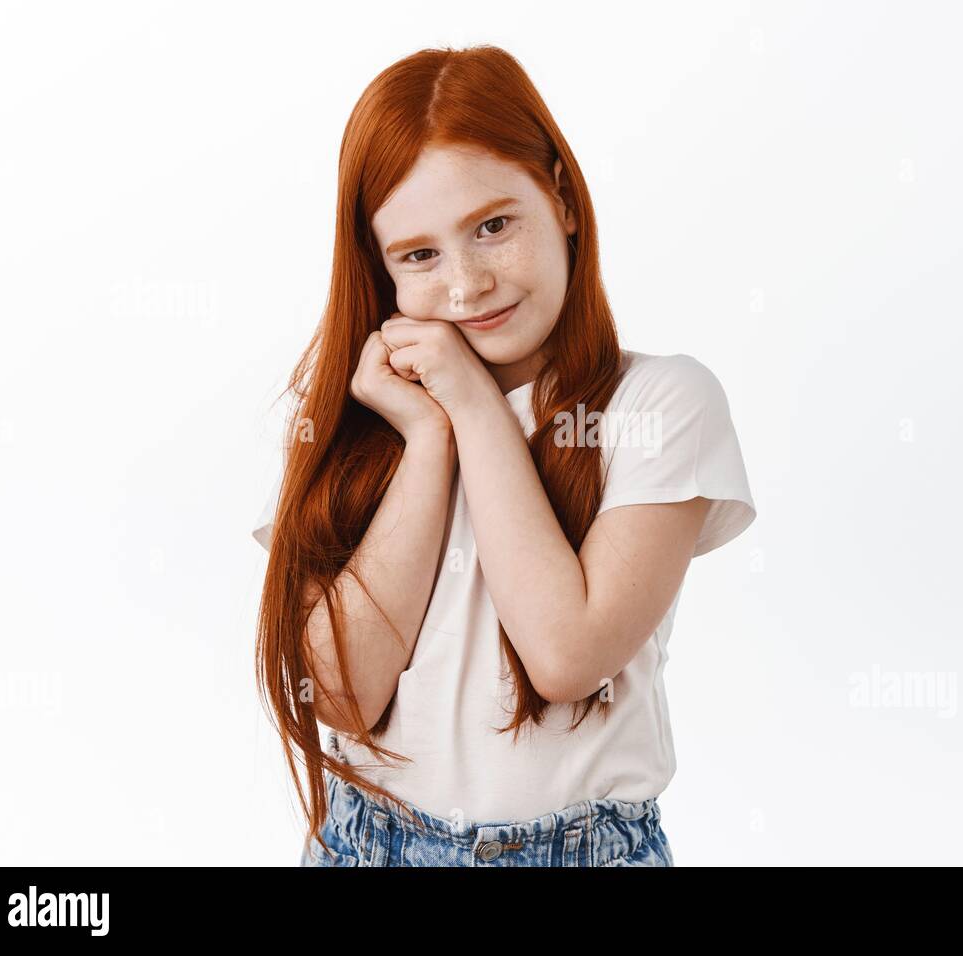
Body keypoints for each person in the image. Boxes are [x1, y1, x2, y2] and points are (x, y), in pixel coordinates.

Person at [251, 44, 756, 867]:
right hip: (365, 846)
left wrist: (476, 406)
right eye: (419, 254)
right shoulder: (360, 423)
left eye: (493, 226)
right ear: (379, 269)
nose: (466, 284)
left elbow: (565, 656)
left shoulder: (659, 405)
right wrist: (428, 435)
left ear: (560, 196)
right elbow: (343, 694)